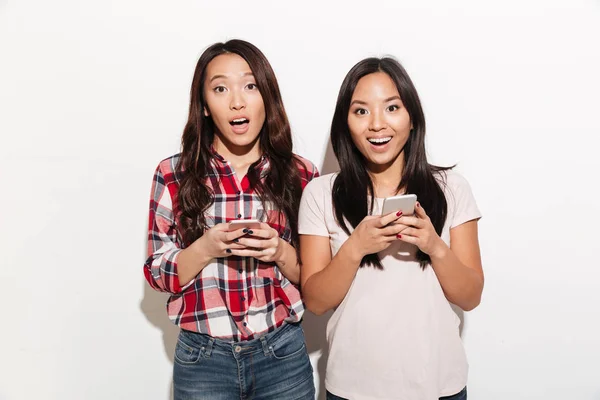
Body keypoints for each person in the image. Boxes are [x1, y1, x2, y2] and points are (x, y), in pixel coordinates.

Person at [298, 57, 483, 400]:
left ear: (412, 118)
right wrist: (355, 247)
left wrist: (434, 246)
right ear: (346, 123)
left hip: (438, 384)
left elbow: (471, 296)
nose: (377, 124)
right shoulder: (321, 194)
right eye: (361, 111)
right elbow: (316, 301)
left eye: (392, 108)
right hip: (353, 387)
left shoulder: (452, 188)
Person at [143, 39, 318, 400]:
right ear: (205, 106)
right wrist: (205, 247)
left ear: (266, 98)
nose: (237, 101)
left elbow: (319, 281)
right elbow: (157, 272)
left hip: (281, 354)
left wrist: (279, 250)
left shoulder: (300, 174)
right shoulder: (173, 173)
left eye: (250, 85)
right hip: (203, 358)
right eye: (220, 88)